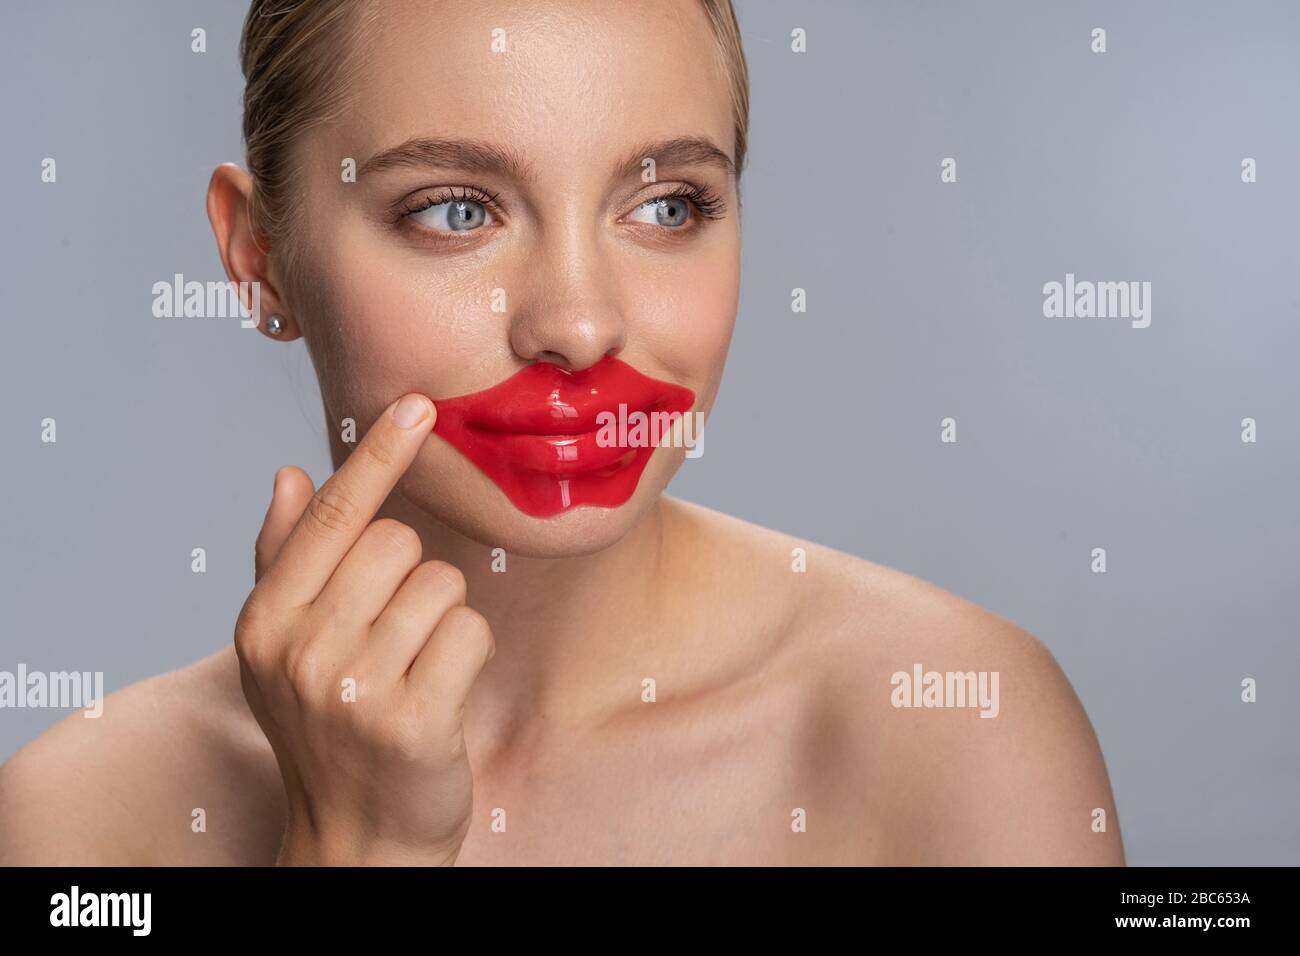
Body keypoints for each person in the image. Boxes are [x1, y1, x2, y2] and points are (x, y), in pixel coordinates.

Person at [0, 0, 1124, 866]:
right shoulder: (80, 822)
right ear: (258, 257)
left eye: (667, 205)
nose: (580, 325)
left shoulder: (959, 726)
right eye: (453, 209)